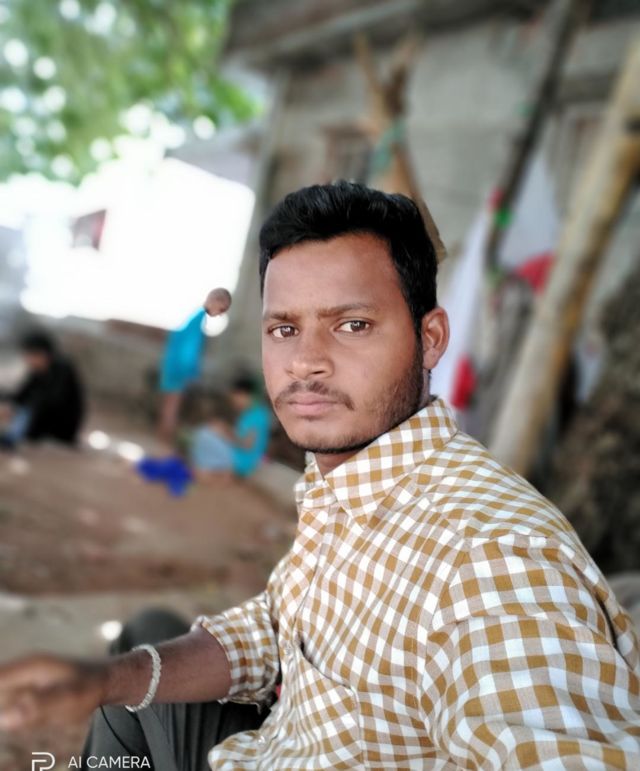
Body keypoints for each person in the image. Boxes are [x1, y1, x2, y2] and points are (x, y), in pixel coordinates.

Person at [1, 182, 639, 769]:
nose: (305, 362)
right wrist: (109, 679)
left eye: (352, 325)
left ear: (431, 338)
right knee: (136, 657)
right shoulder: (349, 481)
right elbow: (280, 628)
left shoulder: (494, 560)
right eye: (285, 328)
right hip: (278, 745)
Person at [158, 289, 231, 443]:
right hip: (178, 370)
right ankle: (166, 438)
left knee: (169, 404)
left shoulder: (194, 316)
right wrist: (190, 373)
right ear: (216, 302)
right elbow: (188, 351)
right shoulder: (198, 321)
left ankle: (164, 435)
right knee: (172, 405)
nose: (220, 314)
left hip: (172, 365)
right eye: (222, 309)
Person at [0, 329, 85, 448]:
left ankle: (11, 438)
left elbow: (53, 400)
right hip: (41, 421)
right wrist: (8, 404)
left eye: (29, 355)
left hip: (61, 426)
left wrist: (16, 409)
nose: (26, 359)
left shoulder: (63, 369)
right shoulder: (38, 371)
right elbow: (21, 394)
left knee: (27, 410)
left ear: (42, 354)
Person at [189, 375, 271, 482]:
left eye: (235, 398)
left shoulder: (257, 415)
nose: (234, 402)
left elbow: (248, 445)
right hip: (238, 454)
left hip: (243, 459)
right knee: (206, 432)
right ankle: (210, 470)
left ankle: (214, 472)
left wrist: (225, 432)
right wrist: (224, 429)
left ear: (244, 395)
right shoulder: (251, 413)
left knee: (204, 435)